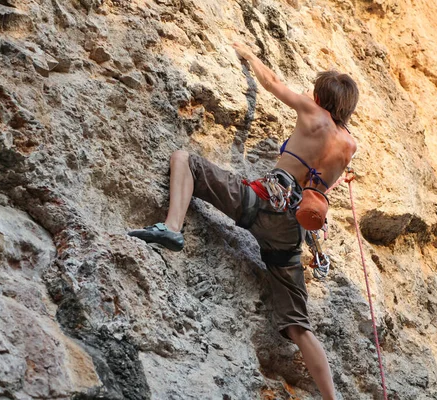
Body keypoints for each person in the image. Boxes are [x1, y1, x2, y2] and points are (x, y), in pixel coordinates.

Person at [128, 43, 358, 399]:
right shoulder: (349, 146)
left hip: (262, 200)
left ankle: (172, 229)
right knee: (299, 325)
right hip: (291, 229)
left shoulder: (313, 113)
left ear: (319, 94)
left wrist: (250, 55)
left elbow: (272, 83)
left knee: (185, 159)